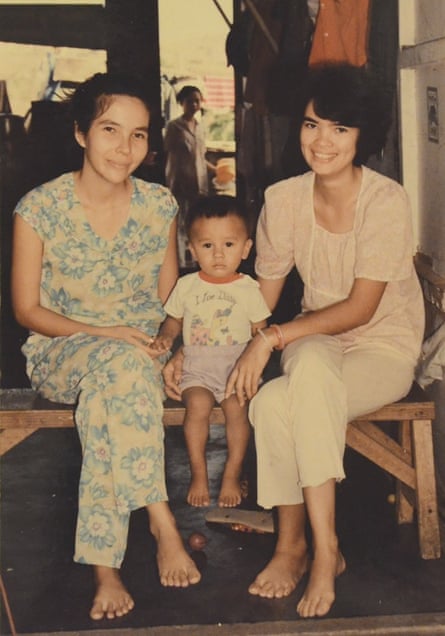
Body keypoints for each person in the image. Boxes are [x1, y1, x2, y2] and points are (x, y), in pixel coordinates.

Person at [164, 64, 425, 618]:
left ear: (363, 136)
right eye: (311, 125)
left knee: (284, 398)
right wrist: (201, 342)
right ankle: (309, 546)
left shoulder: (387, 201)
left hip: (383, 345)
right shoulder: (283, 200)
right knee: (297, 382)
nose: (321, 141)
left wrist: (272, 339)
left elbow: (361, 308)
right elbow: (253, 296)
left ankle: (308, 548)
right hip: (316, 337)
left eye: (339, 128)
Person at [11, 72, 201, 622]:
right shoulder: (38, 209)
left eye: (139, 135)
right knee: (117, 369)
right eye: (111, 130)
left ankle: (106, 569)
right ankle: (162, 521)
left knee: (113, 391)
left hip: (142, 349)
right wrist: (106, 334)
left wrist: (174, 343)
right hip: (60, 349)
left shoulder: (159, 204)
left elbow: (171, 301)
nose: (126, 148)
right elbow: (27, 310)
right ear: (80, 133)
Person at [151, 195, 271, 508]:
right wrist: (166, 336)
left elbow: (261, 332)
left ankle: (232, 472)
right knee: (198, 408)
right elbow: (174, 320)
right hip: (198, 369)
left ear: (246, 248)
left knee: (236, 412)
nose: (218, 254)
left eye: (229, 245)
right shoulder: (187, 286)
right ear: (191, 248)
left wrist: (256, 368)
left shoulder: (249, 289)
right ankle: (199, 473)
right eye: (207, 246)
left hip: (236, 369)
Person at [164, 85, 216, 267]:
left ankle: (196, 263)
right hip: (181, 183)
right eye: (190, 101)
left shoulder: (200, 127)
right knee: (180, 225)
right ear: (181, 103)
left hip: (199, 185)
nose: (194, 104)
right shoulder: (174, 127)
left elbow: (200, 157)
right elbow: (170, 156)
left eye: (197, 101)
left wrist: (215, 170)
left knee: (197, 224)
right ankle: (180, 266)